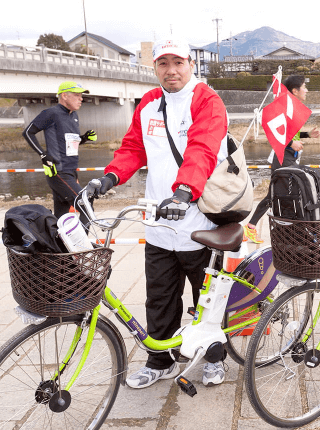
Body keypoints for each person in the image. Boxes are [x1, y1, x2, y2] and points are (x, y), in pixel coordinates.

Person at [87, 38, 230, 389]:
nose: (171, 70)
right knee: (160, 298)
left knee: (207, 297)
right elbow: (133, 148)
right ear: (154, 68)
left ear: (191, 64)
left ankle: (213, 357)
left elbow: (203, 149)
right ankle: (160, 361)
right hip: (159, 225)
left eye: (178, 62)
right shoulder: (149, 103)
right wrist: (107, 179)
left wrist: (183, 192)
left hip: (201, 222)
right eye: (163, 63)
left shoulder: (207, 100)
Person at [243, 75, 320, 244]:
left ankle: (253, 227)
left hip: (288, 159)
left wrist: (307, 135)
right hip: (283, 159)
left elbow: (289, 133)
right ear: (295, 90)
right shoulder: (284, 106)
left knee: (276, 195)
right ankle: (300, 231)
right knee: (294, 193)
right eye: (304, 86)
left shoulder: (292, 107)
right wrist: (291, 143)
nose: (306, 90)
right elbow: (271, 128)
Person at [23, 81, 97, 230]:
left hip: (69, 171)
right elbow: (27, 132)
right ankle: (78, 247)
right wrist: (43, 155)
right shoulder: (51, 113)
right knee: (86, 206)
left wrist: (83, 138)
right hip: (58, 171)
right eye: (77, 95)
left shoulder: (74, 116)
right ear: (64, 95)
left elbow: (69, 143)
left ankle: (58, 250)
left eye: (81, 95)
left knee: (61, 218)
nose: (81, 99)